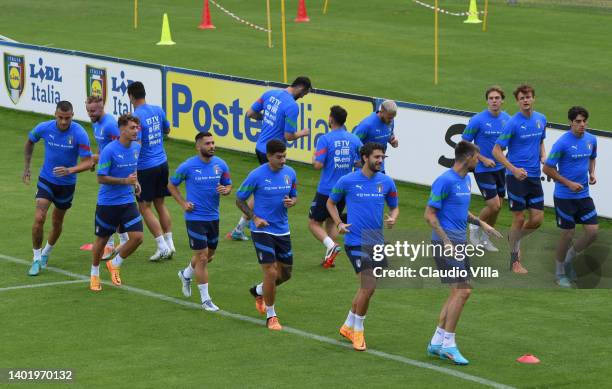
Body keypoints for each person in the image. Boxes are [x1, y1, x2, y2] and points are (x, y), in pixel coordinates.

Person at [424, 141, 501, 365]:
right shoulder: (444, 180)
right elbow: (429, 215)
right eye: (477, 158)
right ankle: (449, 344)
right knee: (464, 291)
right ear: (468, 158)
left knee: (457, 292)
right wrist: (446, 241)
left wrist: (481, 223)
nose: (480, 161)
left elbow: (459, 208)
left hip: (459, 243)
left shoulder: (466, 179)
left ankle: (437, 342)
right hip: (446, 244)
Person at [327, 142, 399, 351]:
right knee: (369, 286)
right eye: (377, 157)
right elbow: (331, 203)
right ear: (365, 158)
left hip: (376, 241)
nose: (380, 160)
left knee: (367, 289)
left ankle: (349, 324)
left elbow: (395, 207)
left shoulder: (386, 182)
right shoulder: (348, 181)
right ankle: (358, 331)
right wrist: (339, 223)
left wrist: (392, 218)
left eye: (382, 157)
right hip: (355, 241)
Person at [227, 76, 311, 241]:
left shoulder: (269, 94)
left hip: (260, 147)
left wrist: (264, 119)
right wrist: (303, 133)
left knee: (262, 189)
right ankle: (241, 227)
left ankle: (241, 227)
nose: (303, 97)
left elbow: (250, 113)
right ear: (301, 88)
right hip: (273, 154)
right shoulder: (292, 106)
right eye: (305, 93)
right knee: (264, 191)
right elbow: (288, 135)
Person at [23, 101, 93, 276]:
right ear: (55, 114)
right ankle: (36, 258)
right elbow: (30, 141)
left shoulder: (79, 133)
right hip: (47, 180)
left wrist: (70, 170)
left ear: (72, 116)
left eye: (67, 118)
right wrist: (27, 168)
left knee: (57, 222)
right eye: (60, 118)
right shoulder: (44, 128)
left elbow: (88, 162)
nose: (63, 122)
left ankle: (46, 252)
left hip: (67, 185)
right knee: (39, 218)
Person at [236, 140, 298, 331]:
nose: (283, 160)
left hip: (282, 229)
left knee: (285, 274)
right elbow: (239, 199)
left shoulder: (290, 173)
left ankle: (259, 290)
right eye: (279, 157)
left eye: (285, 156)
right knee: (270, 271)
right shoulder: (257, 175)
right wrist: (254, 218)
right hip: (262, 230)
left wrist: (292, 201)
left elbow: (294, 195)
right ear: (269, 156)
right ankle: (271, 316)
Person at [169, 132, 232, 311]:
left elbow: (228, 184)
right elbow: (171, 184)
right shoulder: (188, 166)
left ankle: (186, 274)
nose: (212, 146)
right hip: (195, 217)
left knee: (208, 256)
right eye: (207, 143)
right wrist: (183, 203)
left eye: (213, 143)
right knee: (202, 257)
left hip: (213, 217)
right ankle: (206, 300)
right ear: (198, 146)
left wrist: (226, 190)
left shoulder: (221, 164)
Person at [492, 84, 546, 274]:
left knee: (538, 219)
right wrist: (513, 170)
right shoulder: (512, 123)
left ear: (533, 98)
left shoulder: (541, 119)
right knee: (519, 217)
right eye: (522, 98)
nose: (525, 100)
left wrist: (543, 157)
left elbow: (540, 140)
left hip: (534, 177)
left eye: (528, 97)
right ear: (517, 101)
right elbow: (496, 151)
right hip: (516, 177)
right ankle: (515, 262)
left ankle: (514, 238)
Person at [542, 106, 598, 287]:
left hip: (583, 195)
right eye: (578, 122)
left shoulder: (591, 140)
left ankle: (568, 259)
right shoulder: (562, 143)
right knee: (568, 234)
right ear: (570, 123)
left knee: (592, 232)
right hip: (564, 196)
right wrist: (568, 183)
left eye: (584, 121)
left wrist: (592, 173)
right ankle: (559, 273)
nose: (582, 125)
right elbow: (547, 168)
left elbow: (592, 157)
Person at [90, 114, 144, 291]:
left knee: (138, 237)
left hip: (127, 201)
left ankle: (115, 263)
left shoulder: (136, 148)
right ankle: (94, 274)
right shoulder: (109, 151)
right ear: (122, 130)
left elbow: (132, 169)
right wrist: (124, 182)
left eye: (137, 128)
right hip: (108, 203)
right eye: (132, 128)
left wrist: (135, 183)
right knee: (102, 240)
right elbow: (100, 178)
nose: (136, 131)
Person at [309, 106, 362, 268]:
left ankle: (331, 246)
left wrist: (313, 157)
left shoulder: (325, 139)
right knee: (332, 221)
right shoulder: (354, 139)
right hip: (344, 190)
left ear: (331, 119)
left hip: (327, 189)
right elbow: (361, 162)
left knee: (313, 223)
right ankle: (330, 258)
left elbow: (318, 165)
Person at [128, 81, 175, 261]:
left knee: (144, 207)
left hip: (146, 166)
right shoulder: (157, 109)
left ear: (131, 97)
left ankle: (162, 246)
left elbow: (137, 144)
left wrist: (133, 171)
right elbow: (167, 129)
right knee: (160, 204)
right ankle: (170, 244)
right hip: (162, 162)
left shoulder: (136, 117)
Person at [461, 86, 511, 252]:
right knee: (493, 205)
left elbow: (510, 140)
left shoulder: (507, 119)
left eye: (497, 98)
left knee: (499, 206)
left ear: (502, 100)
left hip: (500, 168)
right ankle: (475, 228)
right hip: (482, 168)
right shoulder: (477, 120)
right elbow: (465, 143)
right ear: (487, 100)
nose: (494, 101)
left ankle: (485, 238)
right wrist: (482, 158)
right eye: (491, 98)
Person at [85, 95, 129, 259]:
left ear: (102, 108)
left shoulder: (110, 124)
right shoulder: (96, 123)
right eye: (89, 110)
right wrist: (94, 160)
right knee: (112, 206)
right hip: (107, 169)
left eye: (94, 110)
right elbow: (102, 145)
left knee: (105, 207)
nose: (91, 114)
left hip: (115, 171)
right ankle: (123, 239)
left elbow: (121, 146)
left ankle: (109, 246)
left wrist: (100, 158)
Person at [352, 100, 399, 173]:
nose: (391, 120)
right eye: (389, 117)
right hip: (364, 168)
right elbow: (353, 141)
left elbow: (389, 134)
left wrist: (392, 141)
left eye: (393, 117)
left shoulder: (390, 120)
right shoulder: (367, 125)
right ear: (382, 112)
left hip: (380, 166)